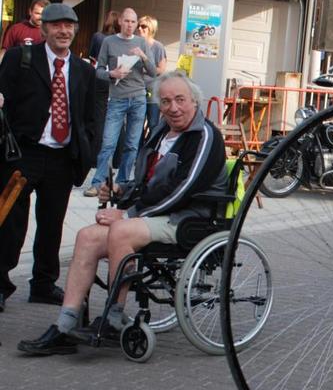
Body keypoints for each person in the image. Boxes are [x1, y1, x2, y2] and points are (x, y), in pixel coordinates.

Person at [16, 71, 228, 355]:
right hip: (155, 214)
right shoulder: (161, 133)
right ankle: (65, 325)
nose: (173, 108)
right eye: (165, 102)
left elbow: (185, 187)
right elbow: (146, 182)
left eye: (180, 100)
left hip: (188, 217)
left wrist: (128, 214)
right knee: (87, 236)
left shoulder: (204, 135)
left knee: (120, 230)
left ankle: (114, 316)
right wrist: (120, 192)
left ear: (194, 101)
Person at [0, 3, 97, 316]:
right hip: (23, 154)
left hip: (61, 157)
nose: (63, 31)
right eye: (56, 25)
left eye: (69, 25)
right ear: (44, 29)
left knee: (52, 223)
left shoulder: (84, 70)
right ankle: (1, 284)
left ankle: (43, 284)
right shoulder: (20, 59)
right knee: (10, 222)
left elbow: (90, 115)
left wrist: (87, 151)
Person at [86, 8, 158, 196]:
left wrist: (142, 55)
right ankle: (98, 182)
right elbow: (98, 70)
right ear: (120, 22)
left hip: (138, 97)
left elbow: (152, 71)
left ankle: (122, 183)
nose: (130, 25)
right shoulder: (109, 42)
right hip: (117, 97)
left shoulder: (142, 42)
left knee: (132, 144)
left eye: (133, 22)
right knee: (108, 142)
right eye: (127, 21)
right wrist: (112, 73)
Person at [137, 15, 168, 145]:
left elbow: (162, 68)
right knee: (136, 123)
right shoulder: (134, 44)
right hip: (136, 88)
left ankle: (150, 150)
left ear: (151, 28)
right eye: (139, 25)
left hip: (152, 89)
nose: (140, 28)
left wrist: (147, 69)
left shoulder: (158, 46)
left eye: (143, 26)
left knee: (153, 122)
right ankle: (136, 155)